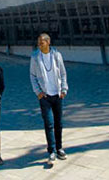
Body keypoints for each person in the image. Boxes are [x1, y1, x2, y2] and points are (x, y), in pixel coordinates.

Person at [29, 33, 68, 165]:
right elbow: (32, 76)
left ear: (48, 42)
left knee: (59, 123)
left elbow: (63, 73)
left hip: (57, 95)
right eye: (38, 43)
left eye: (42, 42)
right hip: (44, 96)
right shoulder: (35, 57)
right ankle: (51, 150)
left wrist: (64, 89)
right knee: (49, 123)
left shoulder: (56, 55)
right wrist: (38, 92)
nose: (40, 45)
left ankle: (59, 148)